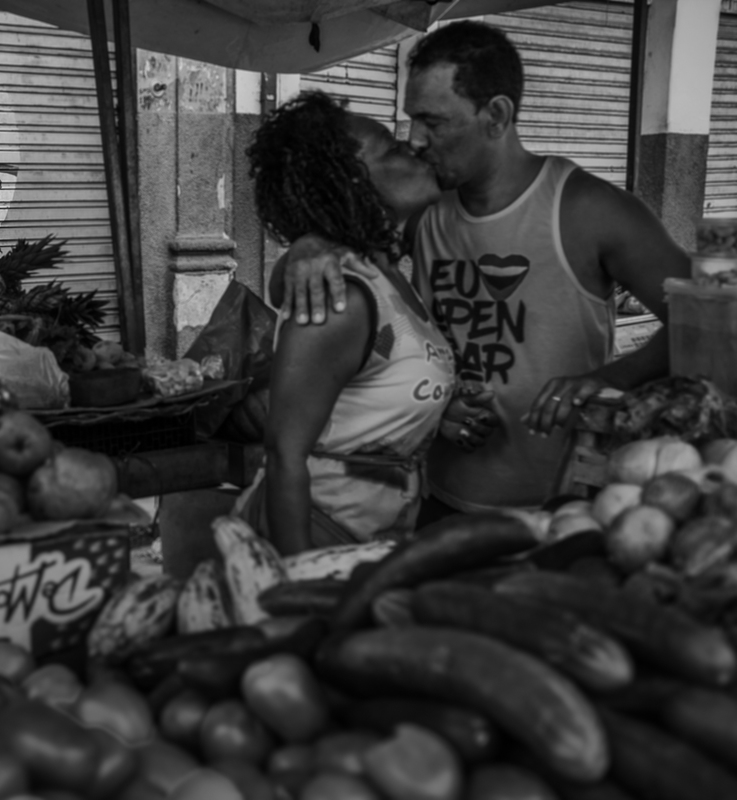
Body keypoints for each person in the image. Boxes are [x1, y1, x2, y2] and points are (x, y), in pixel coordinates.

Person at [277, 21, 691, 517]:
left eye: (434, 122)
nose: (415, 140)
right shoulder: (424, 205)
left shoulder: (588, 209)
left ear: (496, 115)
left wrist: (611, 377)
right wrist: (308, 243)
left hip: (561, 505)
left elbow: (705, 318)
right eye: (411, 120)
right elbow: (315, 280)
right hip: (431, 498)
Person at [233, 91, 456, 556]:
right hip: (316, 532)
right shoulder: (344, 296)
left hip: (370, 538)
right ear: (351, 182)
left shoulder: (389, 276)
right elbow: (285, 455)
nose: (413, 147)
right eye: (391, 148)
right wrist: (298, 581)